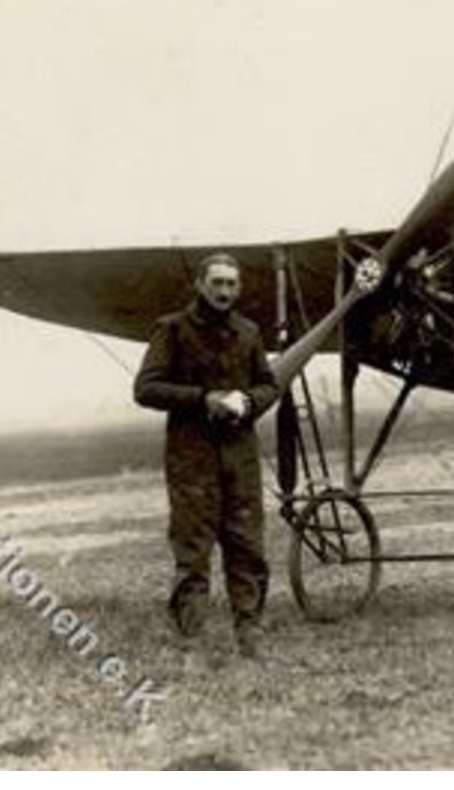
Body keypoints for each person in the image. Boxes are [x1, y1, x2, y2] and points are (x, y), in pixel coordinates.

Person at [134, 252, 279, 658]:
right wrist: (204, 399)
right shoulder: (173, 330)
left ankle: (250, 635)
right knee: (193, 552)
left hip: (240, 459)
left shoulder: (249, 333)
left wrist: (249, 402)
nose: (224, 291)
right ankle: (192, 642)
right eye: (216, 283)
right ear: (200, 284)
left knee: (248, 548)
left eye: (232, 284)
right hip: (191, 459)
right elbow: (145, 388)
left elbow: (269, 385)